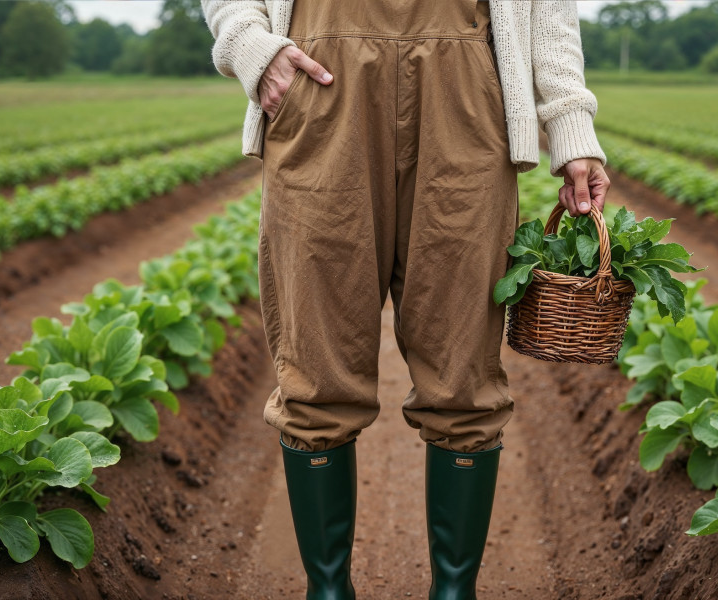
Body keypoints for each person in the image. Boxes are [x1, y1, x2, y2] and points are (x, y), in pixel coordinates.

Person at [201, 1, 610, 598]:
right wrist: (248, 45)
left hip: (467, 90)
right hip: (321, 82)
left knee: (463, 371)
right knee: (316, 367)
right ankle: (329, 590)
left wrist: (571, 122)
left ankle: (453, 591)